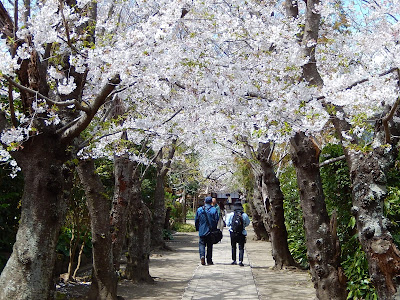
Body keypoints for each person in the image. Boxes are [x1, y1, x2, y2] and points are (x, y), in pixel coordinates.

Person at [195, 196, 219, 265]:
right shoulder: (214, 210)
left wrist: (197, 228)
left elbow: (196, 220)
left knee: (202, 244)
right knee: (209, 245)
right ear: (211, 202)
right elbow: (216, 220)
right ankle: (209, 260)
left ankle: (202, 256)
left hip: (202, 230)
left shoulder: (199, 210)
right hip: (210, 231)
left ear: (204, 202)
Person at [226, 200, 250, 266]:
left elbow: (227, 223)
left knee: (233, 246)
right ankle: (240, 261)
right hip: (242, 232)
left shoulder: (231, 214)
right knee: (241, 247)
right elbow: (247, 223)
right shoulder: (244, 215)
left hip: (233, 232)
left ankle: (234, 260)